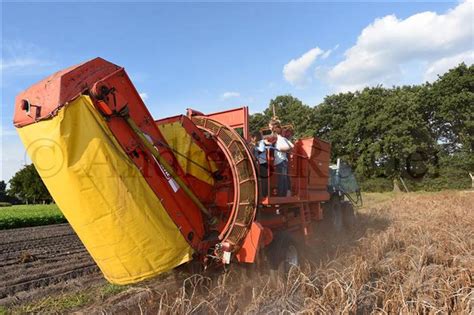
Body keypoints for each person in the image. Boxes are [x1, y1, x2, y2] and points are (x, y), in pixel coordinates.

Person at [272, 123, 294, 197]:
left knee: (281, 179)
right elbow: (292, 146)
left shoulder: (280, 139)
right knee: (283, 179)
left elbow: (289, 147)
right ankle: (284, 194)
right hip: (282, 161)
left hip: (281, 161)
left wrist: (280, 149)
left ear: (275, 132)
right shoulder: (282, 139)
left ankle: (281, 195)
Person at [251, 131, 270, 198]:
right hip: (258, 164)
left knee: (264, 180)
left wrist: (254, 147)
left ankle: (264, 195)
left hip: (263, 163)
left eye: (252, 137)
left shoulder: (261, 142)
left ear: (255, 137)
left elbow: (261, 150)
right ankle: (259, 194)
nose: (252, 139)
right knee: (259, 180)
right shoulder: (255, 144)